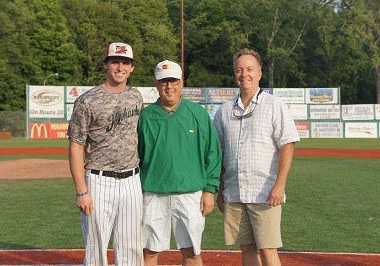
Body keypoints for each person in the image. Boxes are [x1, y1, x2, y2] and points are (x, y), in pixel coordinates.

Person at [213, 48, 300, 266]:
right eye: (240, 70)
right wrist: (221, 189)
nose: (245, 74)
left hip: (265, 192)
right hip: (235, 192)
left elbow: (287, 145)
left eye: (250, 69)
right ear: (235, 75)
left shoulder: (274, 106)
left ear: (259, 73)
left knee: (268, 249)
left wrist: (280, 185)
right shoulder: (224, 111)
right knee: (247, 249)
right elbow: (219, 154)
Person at [137, 60, 222, 266]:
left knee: (191, 252)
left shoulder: (197, 113)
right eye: (164, 81)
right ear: (156, 84)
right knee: (148, 252)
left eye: (173, 80)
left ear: (181, 82)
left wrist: (210, 190)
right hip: (153, 194)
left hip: (190, 195)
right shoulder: (145, 116)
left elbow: (212, 152)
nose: (169, 86)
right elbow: (136, 157)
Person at [67, 42, 143, 266]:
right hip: (99, 181)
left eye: (125, 63)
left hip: (132, 180)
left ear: (132, 68)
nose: (120, 67)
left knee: (131, 247)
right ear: (106, 65)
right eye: (115, 62)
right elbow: (75, 145)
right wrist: (82, 191)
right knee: (95, 249)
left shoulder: (136, 97)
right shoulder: (87, 100)